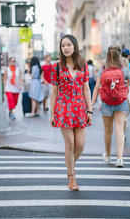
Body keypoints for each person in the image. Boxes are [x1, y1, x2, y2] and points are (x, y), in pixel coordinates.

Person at [50, 34, 92, 191]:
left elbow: (86, 89)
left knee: (80, 145)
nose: (65, 48)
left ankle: (69, 165)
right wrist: (52, 114)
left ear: (74, 46)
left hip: (80, 107)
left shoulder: (83, 65)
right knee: (70, 144)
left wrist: (90, 109)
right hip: (63, 108)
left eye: (68, 45)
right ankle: (72, 178)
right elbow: (54, 91)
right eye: (63, 46)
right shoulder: (57, 67)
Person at [91, 45, 130, 167]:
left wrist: (91, 104)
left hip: (106, 102)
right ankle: (119, 159)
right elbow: (127, 87)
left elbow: (97, 87)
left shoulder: (102, 70)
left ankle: (108, 156)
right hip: (121, 102)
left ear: (107, 55)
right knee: (119, 129)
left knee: (108, 131)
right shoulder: (124, 70)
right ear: (119, 56)